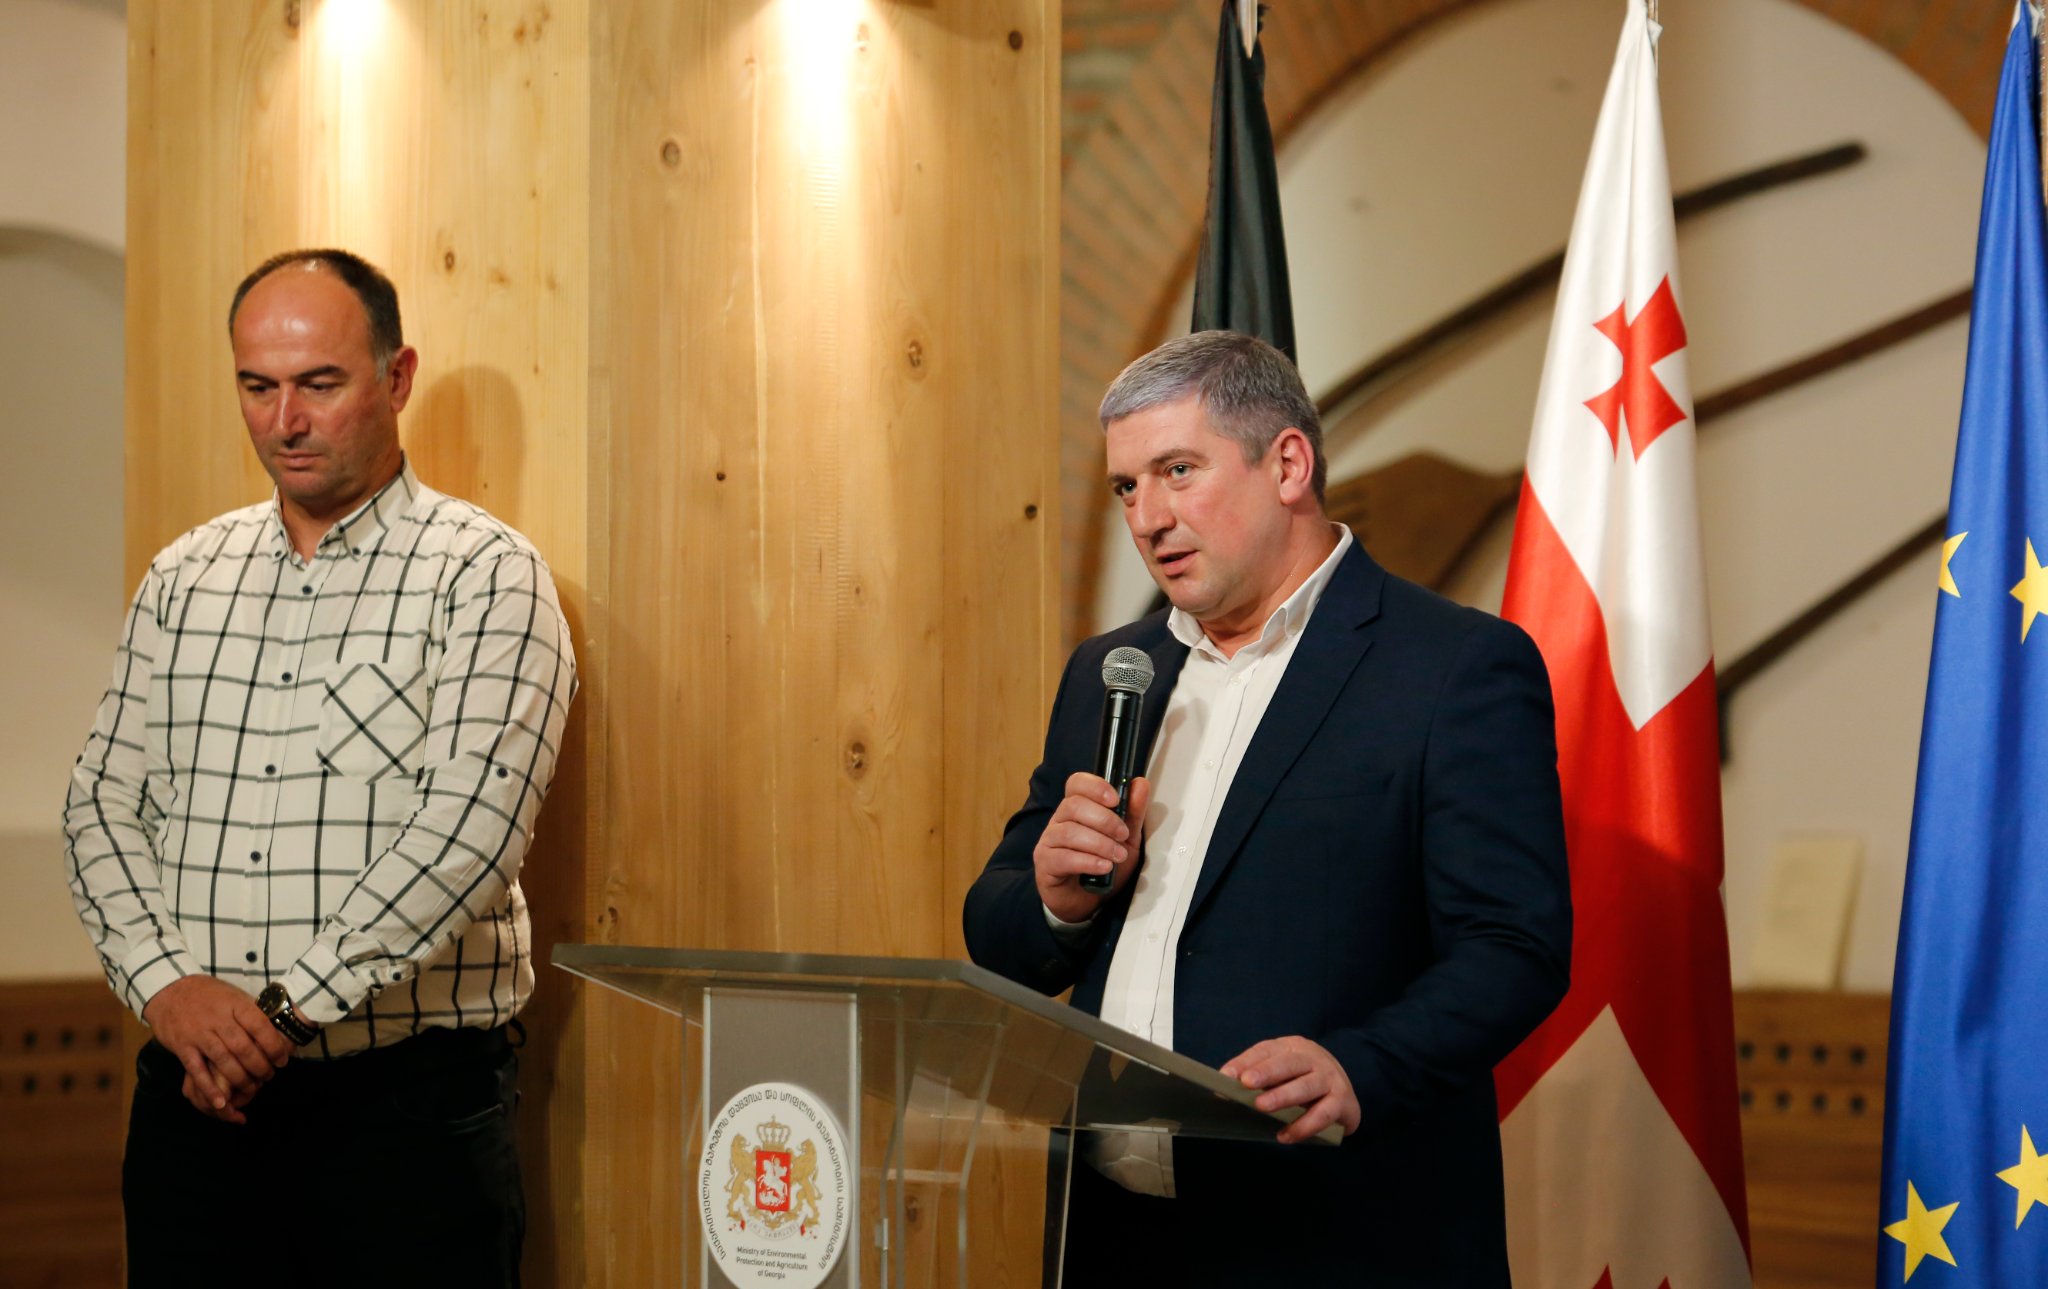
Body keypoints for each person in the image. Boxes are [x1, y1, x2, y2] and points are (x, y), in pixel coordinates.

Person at [963, 331, 1571, 1284]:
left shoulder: (1453, 666)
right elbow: (998, 933)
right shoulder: (1112, 672)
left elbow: (1514, 944)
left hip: (1334, 1229)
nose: (1148, 517)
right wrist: (1055, 901)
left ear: (1287, 464)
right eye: (1126, 486)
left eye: (1177, 470)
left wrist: (1362, 1064)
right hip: (1114, 1233)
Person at [63, 249, 576, 1287]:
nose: (285, 420)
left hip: (404, 1122)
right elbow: (100, 806)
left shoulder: (484, 575)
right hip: (192, 1112)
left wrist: (286, 1010)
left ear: (397, 377)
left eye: (319, 384)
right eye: (258, 386)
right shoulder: (183, 577)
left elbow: (468, 835)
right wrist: (167, 988)